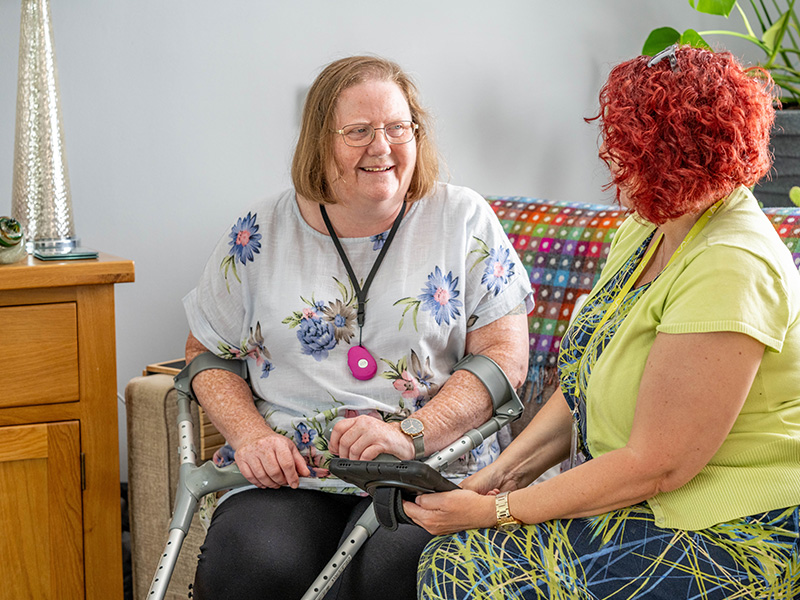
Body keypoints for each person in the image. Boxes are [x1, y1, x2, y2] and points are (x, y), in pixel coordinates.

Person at [407, 45, 800, 599]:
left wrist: (495, 511)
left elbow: (657, 466)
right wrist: (496, 477)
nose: (612, 161)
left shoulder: (731, 263)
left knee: (465, 570)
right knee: (452, 559)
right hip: (655, 495)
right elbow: (584, 386)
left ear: (674, 154)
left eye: (628, 146)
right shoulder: (649, 228)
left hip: (733, 517)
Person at [182, 55, 533, 600]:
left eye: (398, 128)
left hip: (429, 467)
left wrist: (411, 434)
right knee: (249, 561)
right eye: (358, 131)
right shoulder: (261, 229)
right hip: (292, 471)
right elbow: (206, 352)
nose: (382, 146)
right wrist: (250, 435)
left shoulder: (462, 218)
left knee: (392, 568)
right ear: (320, 142)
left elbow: (504, 358)